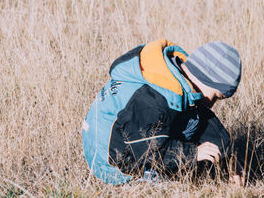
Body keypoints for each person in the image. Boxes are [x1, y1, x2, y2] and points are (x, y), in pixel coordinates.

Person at [82, 39, 243, 185]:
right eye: (216, 96)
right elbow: (146, 149)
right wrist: (192, 153)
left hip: (132, 139)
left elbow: (198, 116)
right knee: (175, 187)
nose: (212, 104)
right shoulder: (153, 99)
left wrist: (227, 154)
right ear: (205, 78)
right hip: (111, 162)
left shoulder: (175, 79)